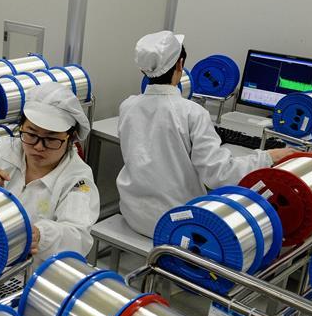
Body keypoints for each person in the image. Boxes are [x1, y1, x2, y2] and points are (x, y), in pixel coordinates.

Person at [116, 30, 293, 237]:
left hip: (133, 213)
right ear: (180, 65)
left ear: (143, 69)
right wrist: (266, 157)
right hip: (175, 221)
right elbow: (219, 174)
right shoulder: (192, 112)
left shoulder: (128, 106)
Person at [0, 83, 101, 259]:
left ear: (70, 138)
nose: (39, 147)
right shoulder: (4, 150)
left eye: (51, 139)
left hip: (34, 267)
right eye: (31, 135)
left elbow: (78, 237)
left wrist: (41, 236)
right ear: (21, 127)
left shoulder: (77, 180)